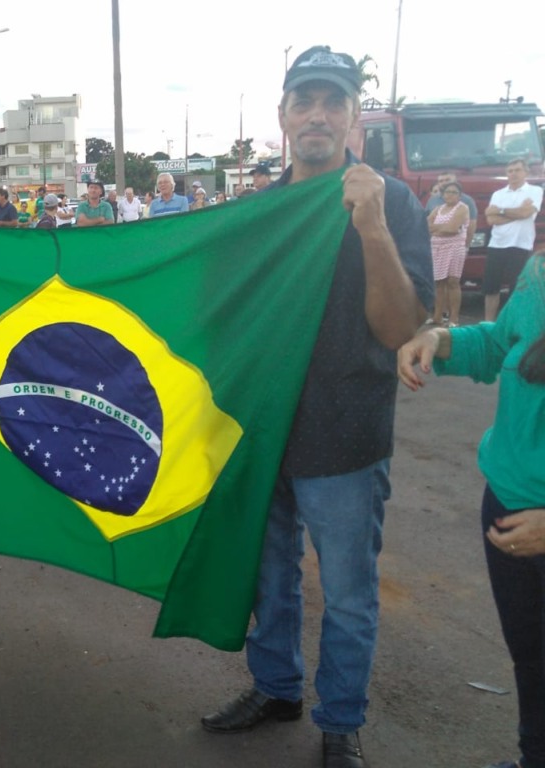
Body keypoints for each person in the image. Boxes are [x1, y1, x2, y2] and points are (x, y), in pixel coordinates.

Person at [199, 46, 433, 768]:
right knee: (268, 576)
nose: (318, 115)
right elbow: (221, 318)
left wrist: (370, 226)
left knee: (349, 592)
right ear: (283, 117)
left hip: (347, 435)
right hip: (265, 430)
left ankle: (340, 722)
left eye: (334, 101)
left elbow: (400, 331)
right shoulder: (260, 209)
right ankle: (276, 688)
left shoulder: (391, 201)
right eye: (305, 101)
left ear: (354, 117)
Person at [397, 252, 545, 768]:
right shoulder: (540, 270)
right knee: (531, 658)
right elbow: (503, 345)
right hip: (507, 502)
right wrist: (440, 339)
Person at [484, 159, 543, 321]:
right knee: (491, 288)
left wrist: (501, 210)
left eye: (517, 170)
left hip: (520, 245)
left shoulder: (535, 191)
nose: (513, 174)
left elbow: (526, 214)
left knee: (515, 288)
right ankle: (488, 324)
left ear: (526, 172)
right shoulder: (498, 194)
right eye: (510, 171)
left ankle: (511, 325)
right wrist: (516, 214)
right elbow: (491, 220)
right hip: (496, 245)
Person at [427, 181, 470, 326]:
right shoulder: (438, 209)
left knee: (453, 281)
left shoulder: (462, 208)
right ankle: (437, 316)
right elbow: (426, 226)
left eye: (453, 192)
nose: (449, 195)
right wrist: (443, 228)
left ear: (459, 195)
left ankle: (453, 319)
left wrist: (437, 228)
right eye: (447, 192)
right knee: (439, 282)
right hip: (437, 248)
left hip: (454, 248)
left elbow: (452, 228)